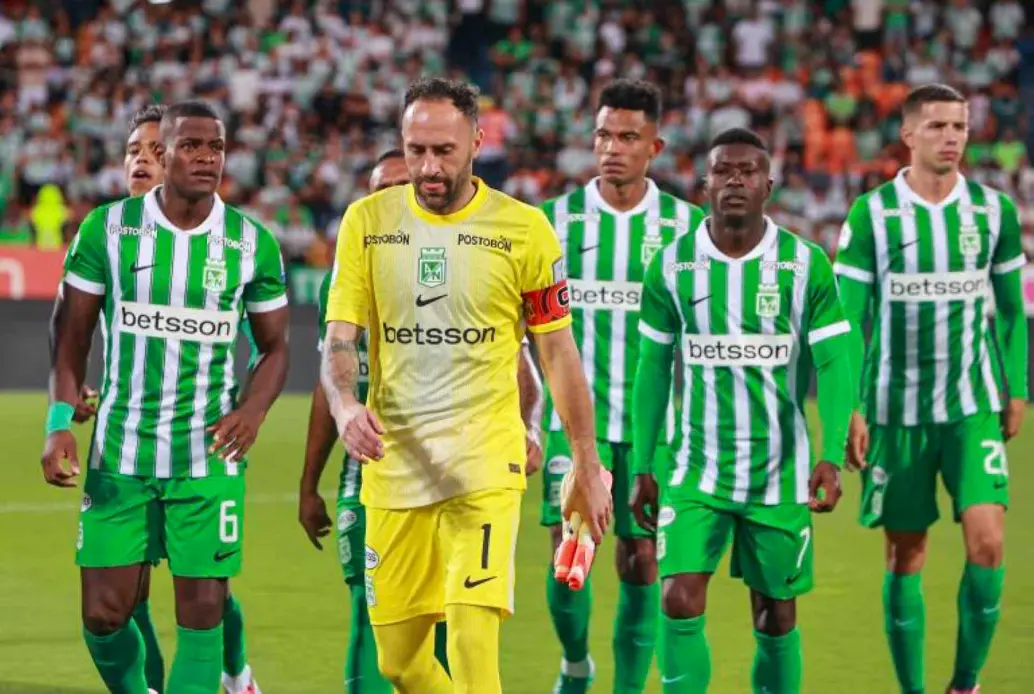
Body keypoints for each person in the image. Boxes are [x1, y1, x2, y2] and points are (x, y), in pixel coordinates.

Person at [321, 77, 611, 694]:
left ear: (477, 142)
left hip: (485, 462)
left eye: (443, 151)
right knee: (399, 663)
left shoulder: (524, 230)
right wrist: (346, 405)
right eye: (415, 149)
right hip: (395, 464)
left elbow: (556, 351)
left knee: (472, 639)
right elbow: (340, 339)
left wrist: (585, 462)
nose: (427, 166)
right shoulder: (365, 224)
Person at [41, 100, 289, 694]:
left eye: (216, 148)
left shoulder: (251, 243)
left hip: (207, 459)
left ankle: (233, 676)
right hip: (120, 454)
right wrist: (57, 422)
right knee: (103, 616)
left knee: (202, 612)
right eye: (190, 146)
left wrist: (252, 410)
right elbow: (70, 335)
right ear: (165, 148)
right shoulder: (109, 228)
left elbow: (275, 347)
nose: (205, 158)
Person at [300, 148, 545, 692]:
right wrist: (308, 482)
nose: (394, 199)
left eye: (400, 186)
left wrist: (531, 428)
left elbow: (520, 357)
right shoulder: (351, 271)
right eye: (380, 190)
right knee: (388, 646)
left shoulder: (472, 257)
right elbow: (329, 382)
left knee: (465, 629)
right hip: (374, 475)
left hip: (470, 467)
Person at [631, 127, 856, 694]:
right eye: (723, 171)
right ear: (704, 184)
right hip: (694, 471)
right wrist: (643, 464)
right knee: (677, 597)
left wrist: (830, 454)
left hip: (779, 474)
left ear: (768, 185)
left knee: (775, 614)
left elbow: (833, 364)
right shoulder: (672, 266)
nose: (735, 179)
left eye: (747, 171)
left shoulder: (805, 265)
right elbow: (653, 369)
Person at [834, 84, 1028, 694]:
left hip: (971, 408)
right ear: (908, 135)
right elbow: (848, 320)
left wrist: (1015, 385)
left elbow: (1012, 312)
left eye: (961, 127)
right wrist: (851, 407)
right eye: (939, 126)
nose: (953, 138)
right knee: (906, 555)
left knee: (989, 543)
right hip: (896, 412)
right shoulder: (873, 214)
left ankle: (965, 683)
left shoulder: (993, 213)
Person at [538, 78, 704, 694]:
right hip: (573, 424)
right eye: (604, 133)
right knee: (567, 561)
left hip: (654, 429)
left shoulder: (687, 231)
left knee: (640, 564)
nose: (613, 147)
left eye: (628, 137)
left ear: (654, 147)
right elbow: (529, 333)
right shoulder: (553, 223)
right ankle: (575, 663)